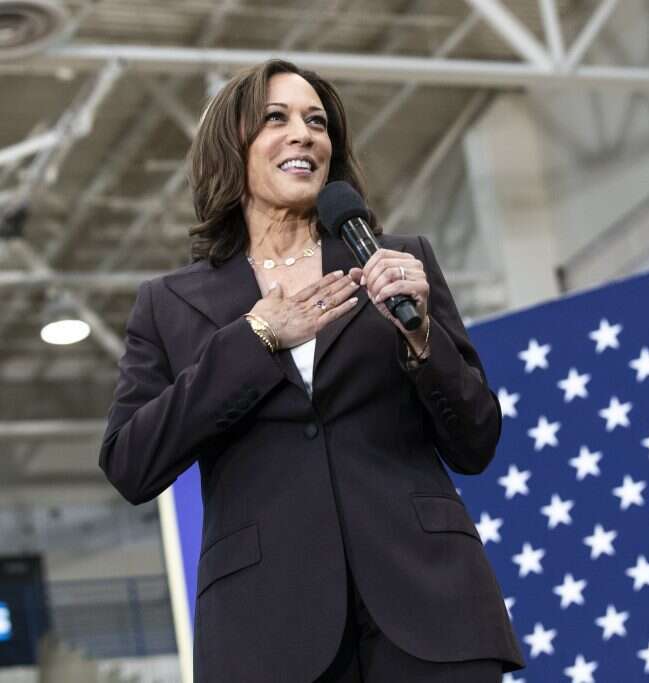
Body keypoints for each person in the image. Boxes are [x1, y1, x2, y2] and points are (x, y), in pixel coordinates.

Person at [99, 59, 524, 682]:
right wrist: (255, 338)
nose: (303, 134)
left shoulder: (397, 263)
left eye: (317, 122)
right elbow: (130, 463)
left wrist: (420, 335)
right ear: (231, 147)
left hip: (430, 609)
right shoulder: (168, 304)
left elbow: (476, 439)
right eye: (276, 118)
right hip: (268, 633)